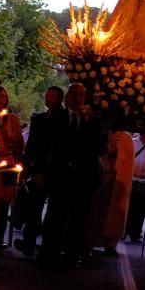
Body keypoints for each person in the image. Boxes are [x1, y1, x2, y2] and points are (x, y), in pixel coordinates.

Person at [39, 83, 106, 267]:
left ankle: (72, 254)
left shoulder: (92, 120)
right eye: (74, 94)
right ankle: (48, 252)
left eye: (82, 95)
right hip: (60, 175)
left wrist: (87, 123)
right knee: (55, 215)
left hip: (83, 177)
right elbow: (47, 144)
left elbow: (101, 147)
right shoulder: (57, 116)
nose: (78, 98)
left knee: (78, 218)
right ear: (67, 97)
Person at [15, 86, 65, 257]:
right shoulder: (38, 119)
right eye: (47, 95)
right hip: (38, 170)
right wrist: (25, 165)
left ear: (60, 99)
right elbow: (32, 146)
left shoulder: (64, 119)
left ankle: (47, 246)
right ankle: (29, 243)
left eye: (52, 96)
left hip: (55, 171)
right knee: (34, 207)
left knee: (52, 212)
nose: (48, 98)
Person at [0, 85, 24, 255]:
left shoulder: (12, 119)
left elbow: (18, 142)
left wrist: (7, 135)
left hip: (7, 162)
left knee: (2, 203)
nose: (0, 99)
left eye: (3, 96)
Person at [88, 127, 136, 254]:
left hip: (116, 178)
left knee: (112, 210)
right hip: (102, 175)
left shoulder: (125, 138)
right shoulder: (103, 132)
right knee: (98, 209)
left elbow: (124, 159)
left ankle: (110, 242)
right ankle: (92, 239)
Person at [126, 132, 145, 244]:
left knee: (141, 209)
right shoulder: (133, 142)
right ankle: (126, 231)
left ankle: (136, 233)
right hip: (132, 179)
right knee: (130, 207)